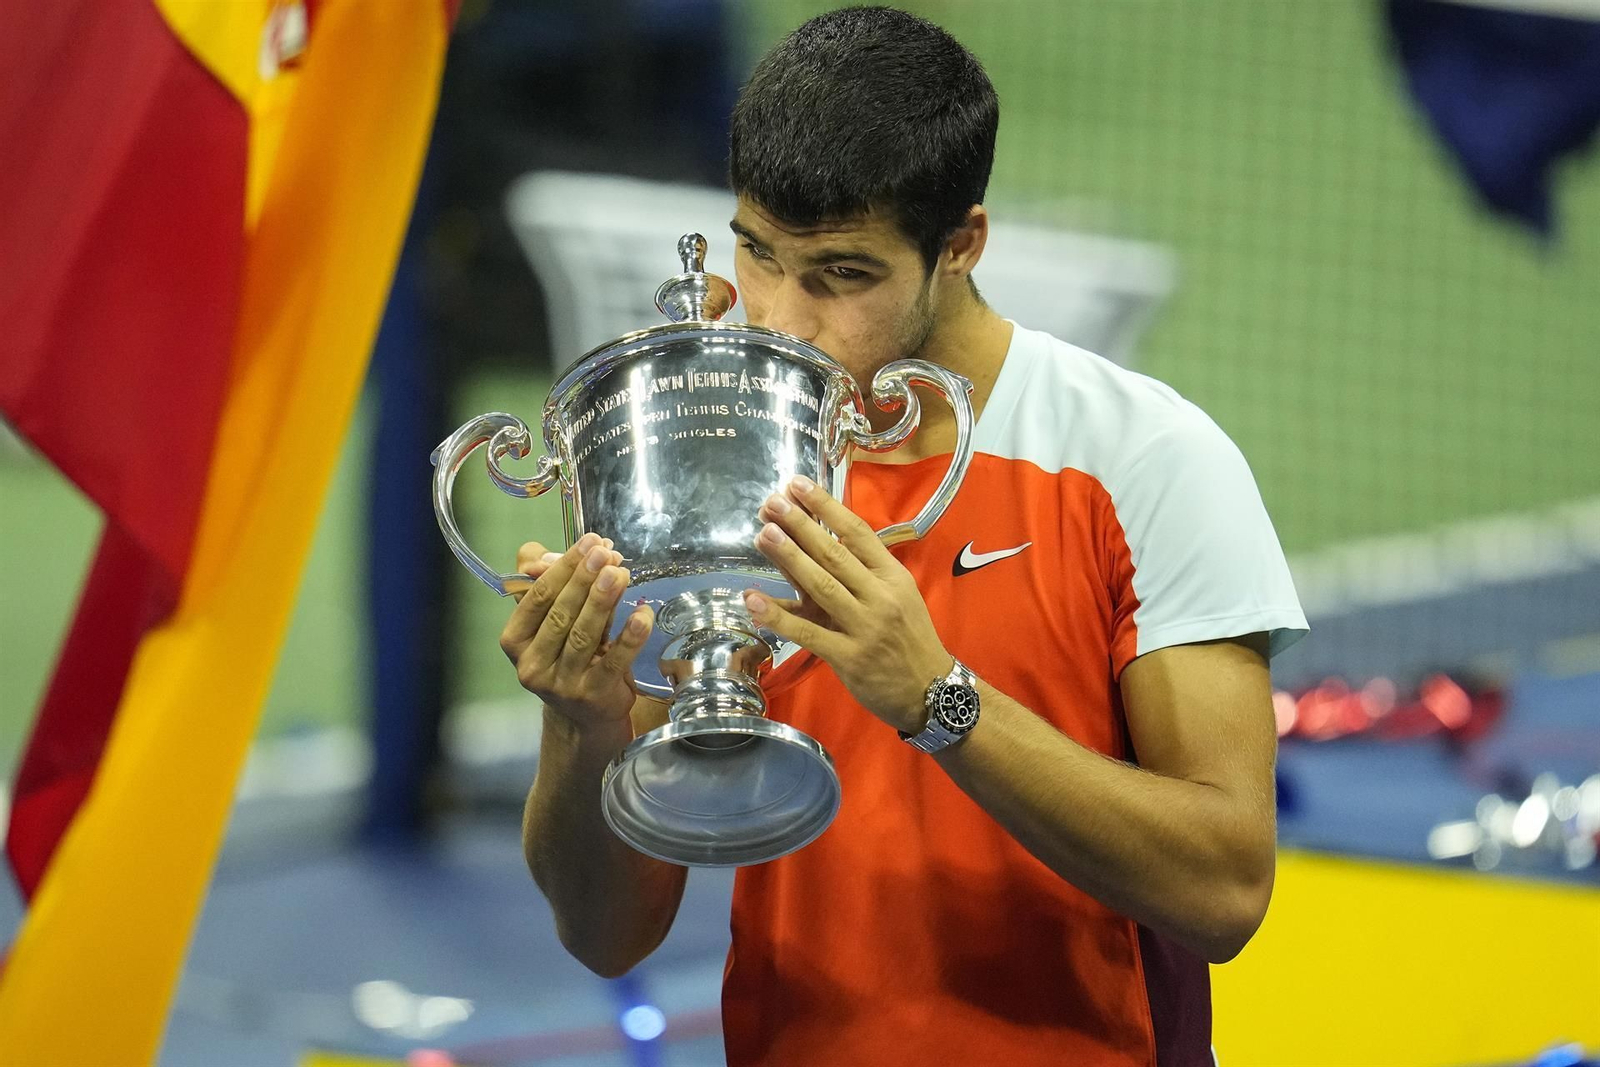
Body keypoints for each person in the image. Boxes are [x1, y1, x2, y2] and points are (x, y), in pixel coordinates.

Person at [502, 7, 1307, 1065]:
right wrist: (584, 726)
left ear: (961, 243)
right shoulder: (720, 447)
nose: (784, 319)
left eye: (841, 274)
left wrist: (939, 700)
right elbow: (608, 932)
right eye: (758, 253)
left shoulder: (1141, 458)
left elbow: (1223, 889)